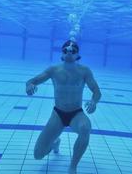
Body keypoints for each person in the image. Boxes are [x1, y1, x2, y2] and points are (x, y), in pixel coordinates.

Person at [25, 40, 101, 174]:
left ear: (78, 55)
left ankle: (73, 166)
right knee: (38, 155)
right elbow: (32, 81)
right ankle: (55, 142)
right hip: (58, 114)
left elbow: (96, 91)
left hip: (76, 114)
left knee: (85, 128)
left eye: (73, 51)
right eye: (66, 50)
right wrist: (30, 86)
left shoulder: (84, 71)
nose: (69, 53)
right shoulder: (53, 70)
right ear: (62, 53)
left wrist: (94, 102)